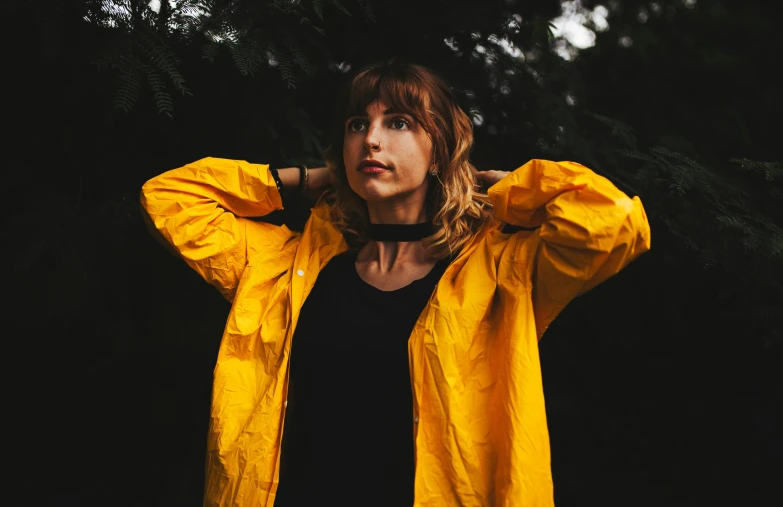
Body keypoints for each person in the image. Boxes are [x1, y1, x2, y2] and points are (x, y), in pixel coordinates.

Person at [140, 60, 651, 507]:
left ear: (440, 150)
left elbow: (612, 223)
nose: (371, 139)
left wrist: (499, 185)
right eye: (357, 124)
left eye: (399, 123)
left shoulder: (499, 273)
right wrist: (307, 177)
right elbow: (168, 200)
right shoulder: (286, 266)